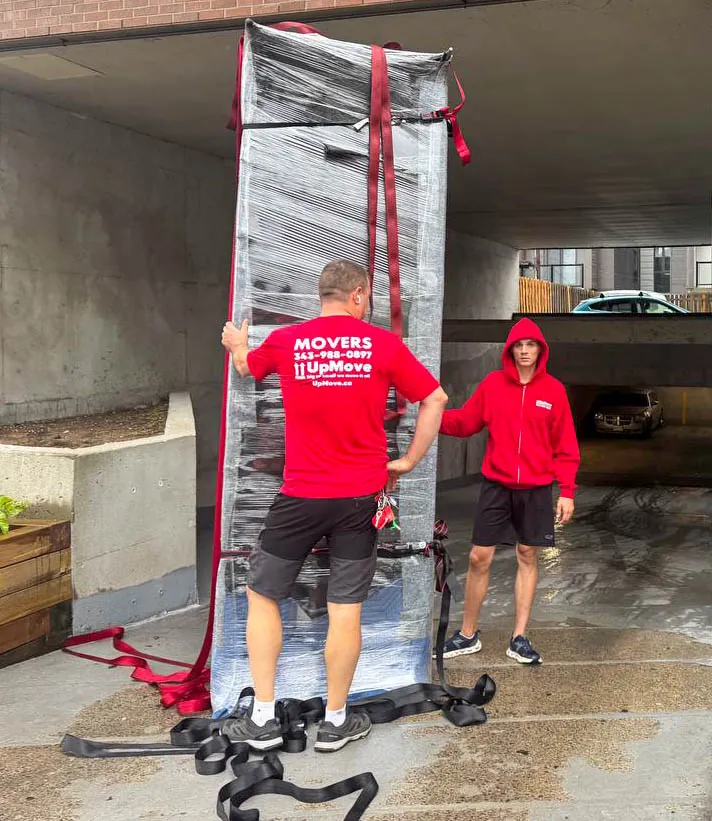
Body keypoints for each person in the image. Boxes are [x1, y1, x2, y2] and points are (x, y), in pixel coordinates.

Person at [220, 259, 448, 752]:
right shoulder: (383, 345)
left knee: (263, 595)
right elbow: (436, 399)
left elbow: (245, 366)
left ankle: (261, 720)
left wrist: (237, 344)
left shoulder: (288, 341)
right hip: (358, 499)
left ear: (321, 296)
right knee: (346, 610)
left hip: (300, 495)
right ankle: (336, 720)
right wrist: (407, 460)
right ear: (360, 295)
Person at [439, 317, 579, 665]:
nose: (525, 351)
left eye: (531, 345)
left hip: (536, 489)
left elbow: (566, 446)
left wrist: (568, 491)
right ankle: (468, 634)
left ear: (540, 350)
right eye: (519, 345)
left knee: (527, 555)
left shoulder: (554, 391)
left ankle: (519, 637)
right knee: (478, 557)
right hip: (497, 485)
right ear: (510, 350)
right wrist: (432, 416)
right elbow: (466, 422)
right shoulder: (492, 385)